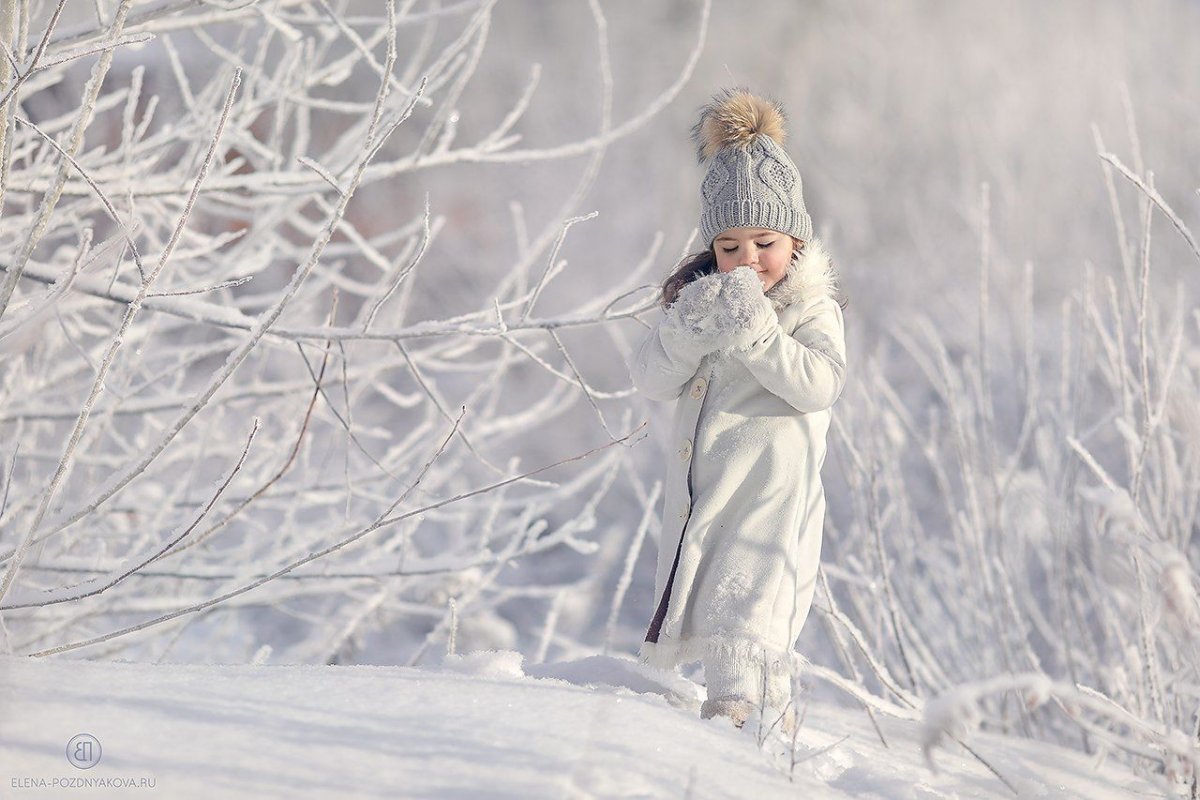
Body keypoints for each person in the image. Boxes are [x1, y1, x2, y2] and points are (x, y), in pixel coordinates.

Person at [628, 88, 848, 735]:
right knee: (720, 617)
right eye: (728, 247)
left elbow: (821, 382)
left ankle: (731, 735)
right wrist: (685, 333)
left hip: (771, 506)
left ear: (796, 239)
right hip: (709, 501)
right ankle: (759, 736)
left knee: (746, 622)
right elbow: (650, 377)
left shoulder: (811, 309)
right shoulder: (706, 303)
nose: (747, 261)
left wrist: (758, 335)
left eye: (764, 241)